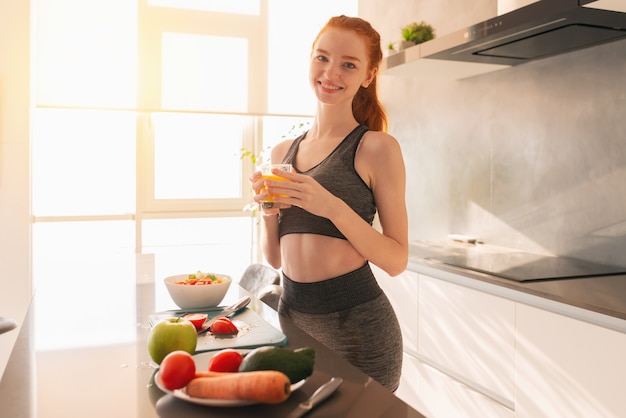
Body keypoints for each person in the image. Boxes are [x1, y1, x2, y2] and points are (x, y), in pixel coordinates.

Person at [250, 15, 408, 392]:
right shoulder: (282, 152)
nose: (330, 72)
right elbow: (274, 258)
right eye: (322, 58)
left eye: (348, 64)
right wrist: (267, 209)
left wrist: (331, 205)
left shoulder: (376, 148)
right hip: (294, 323)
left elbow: (397, 260)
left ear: (368, 76)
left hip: (360, 333)